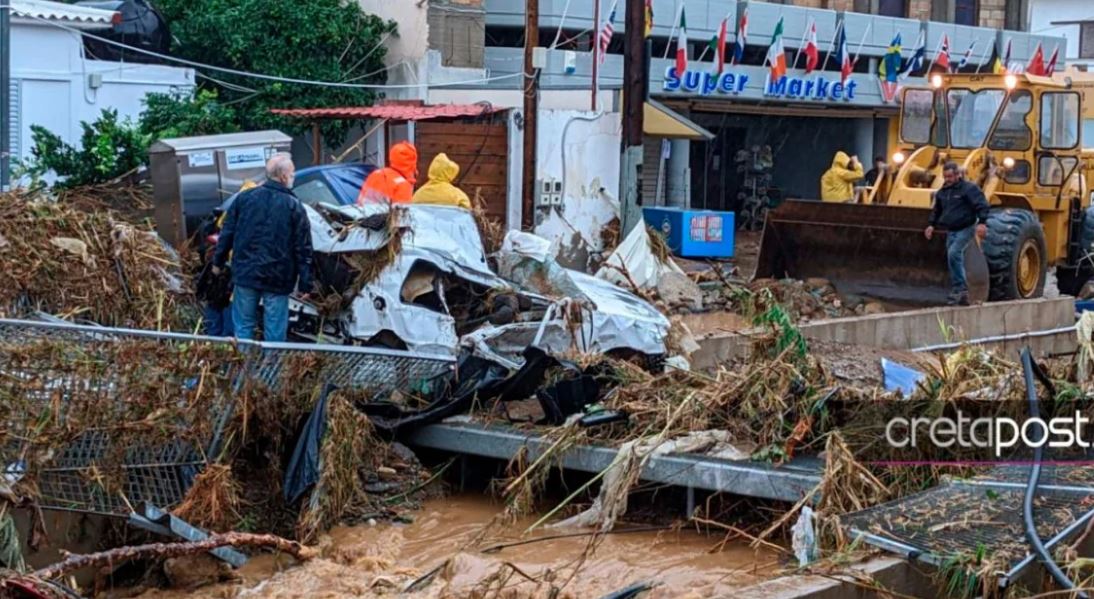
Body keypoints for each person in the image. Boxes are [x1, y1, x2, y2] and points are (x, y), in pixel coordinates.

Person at [212, 153, 313, 342]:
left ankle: (246, 367)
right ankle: (271, 371)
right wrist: (306, 282)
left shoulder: (244, 199)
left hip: (245, 274)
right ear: (283, 177)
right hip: (278, 278)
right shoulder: (294, 206)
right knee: (275, 334)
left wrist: (217, 262)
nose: (293, 177)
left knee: (243, 329)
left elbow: (227, 233)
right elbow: (303, 247)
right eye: (292, 174)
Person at [924, 161, 990, 306]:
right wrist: (931, 225)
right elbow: (937, 210)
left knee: (954, 254)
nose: (947, 180)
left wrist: (982, 222)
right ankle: (963, 294)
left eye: (950, 176)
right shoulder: (943, 192)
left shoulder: (968, 189)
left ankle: (959, 289)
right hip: (951, 230)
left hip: (966, 228)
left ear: (958, 175)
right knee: (952, 259)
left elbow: (982, 205)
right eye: (945, 177)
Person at [357, 141, 419, 205]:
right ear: (412, 163)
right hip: (382, 214)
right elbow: (402, 213)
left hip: (361, 213)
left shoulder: (376, 173)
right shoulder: (403, 185)